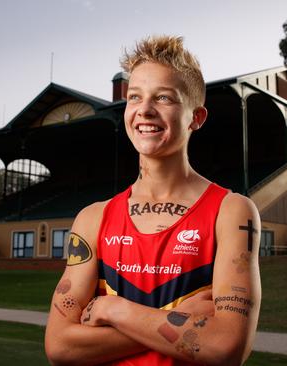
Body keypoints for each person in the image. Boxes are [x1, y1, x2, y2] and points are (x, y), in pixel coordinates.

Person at [44, 35, 261, 366]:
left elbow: (225, 346)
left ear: (196, 117)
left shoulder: (231, 212)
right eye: (134, 97)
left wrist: (113, 309)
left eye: (163, 98)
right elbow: (61, 346)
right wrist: (176, 319)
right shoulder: (93, 219)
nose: (144, 110)